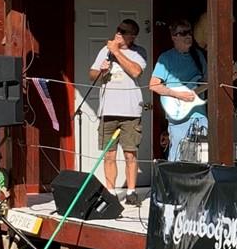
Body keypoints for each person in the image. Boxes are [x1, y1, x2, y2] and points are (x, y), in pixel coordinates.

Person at [88, 19, 146, 206]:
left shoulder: (138, 52)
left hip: (130, 111)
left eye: (124, 31)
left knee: (130, 154)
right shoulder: (104, 51)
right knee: (109, 154)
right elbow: (92, 75)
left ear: (132, 36)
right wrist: (102, 71)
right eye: (118, 29)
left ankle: (131, 192)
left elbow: (136, 72)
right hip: (108, 110)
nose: (119, 33)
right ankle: (111, 193)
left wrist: (116, 51)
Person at [149, 19, 208, 161]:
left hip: (199, 113)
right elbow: (154, 85)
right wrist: (177, 95)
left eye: (189, 32)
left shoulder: (198, 56)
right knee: (177, 153)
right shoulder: (166, 58)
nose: (188, 36)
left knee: (202, 155)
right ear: (174, 36)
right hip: (178, 115)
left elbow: (207, 81)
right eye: (183, 33)